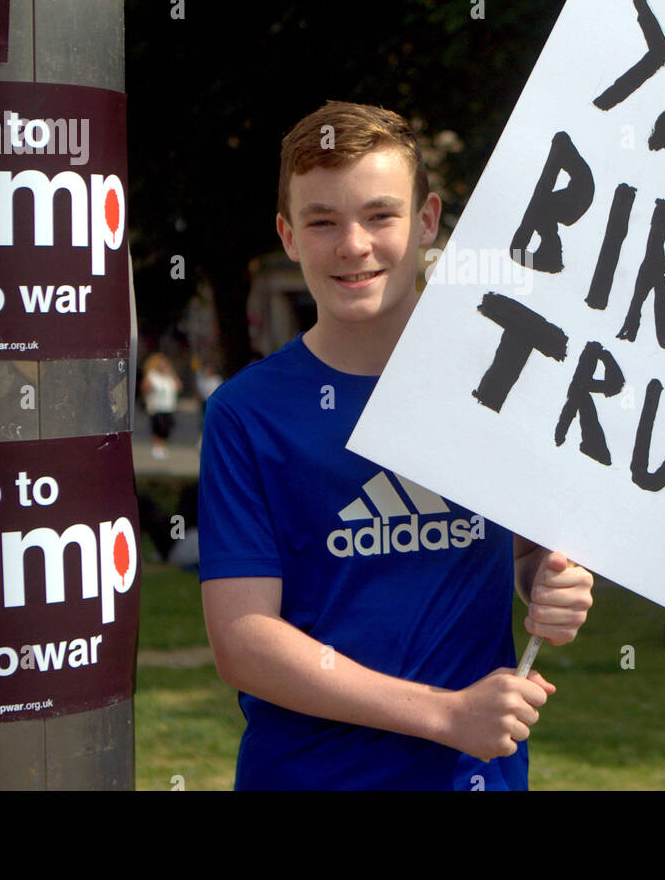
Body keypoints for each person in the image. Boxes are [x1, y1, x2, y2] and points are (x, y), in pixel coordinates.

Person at [197, 101, 594, 790]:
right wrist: (446, 715)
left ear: (428, 221)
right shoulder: (247, 413)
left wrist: (551, 588)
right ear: (288, 236)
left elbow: (532, 554)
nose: (353, 245)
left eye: (380, 215)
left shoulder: (497, 385)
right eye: (322, 221)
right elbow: (243, 643)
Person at [141, 353, 182, 459]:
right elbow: (145, 387)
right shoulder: (152, 375)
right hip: (157, 406)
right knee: (158, 426)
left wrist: (172, 374)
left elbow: (178, 387)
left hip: (169, 406)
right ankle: (157, 447)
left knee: (167, 427)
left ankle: (162, 445)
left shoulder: (169, 376)